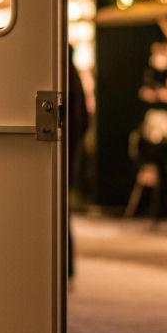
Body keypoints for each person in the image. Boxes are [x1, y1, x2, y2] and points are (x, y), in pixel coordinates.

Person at [67, 45, 89, 280]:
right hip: (70, 153)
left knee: (59, 211)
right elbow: (84, 121)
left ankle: (66, 269)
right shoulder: (73, 76)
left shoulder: (61, 75)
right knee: (63, 210)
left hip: (64, 153)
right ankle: (68, 269)